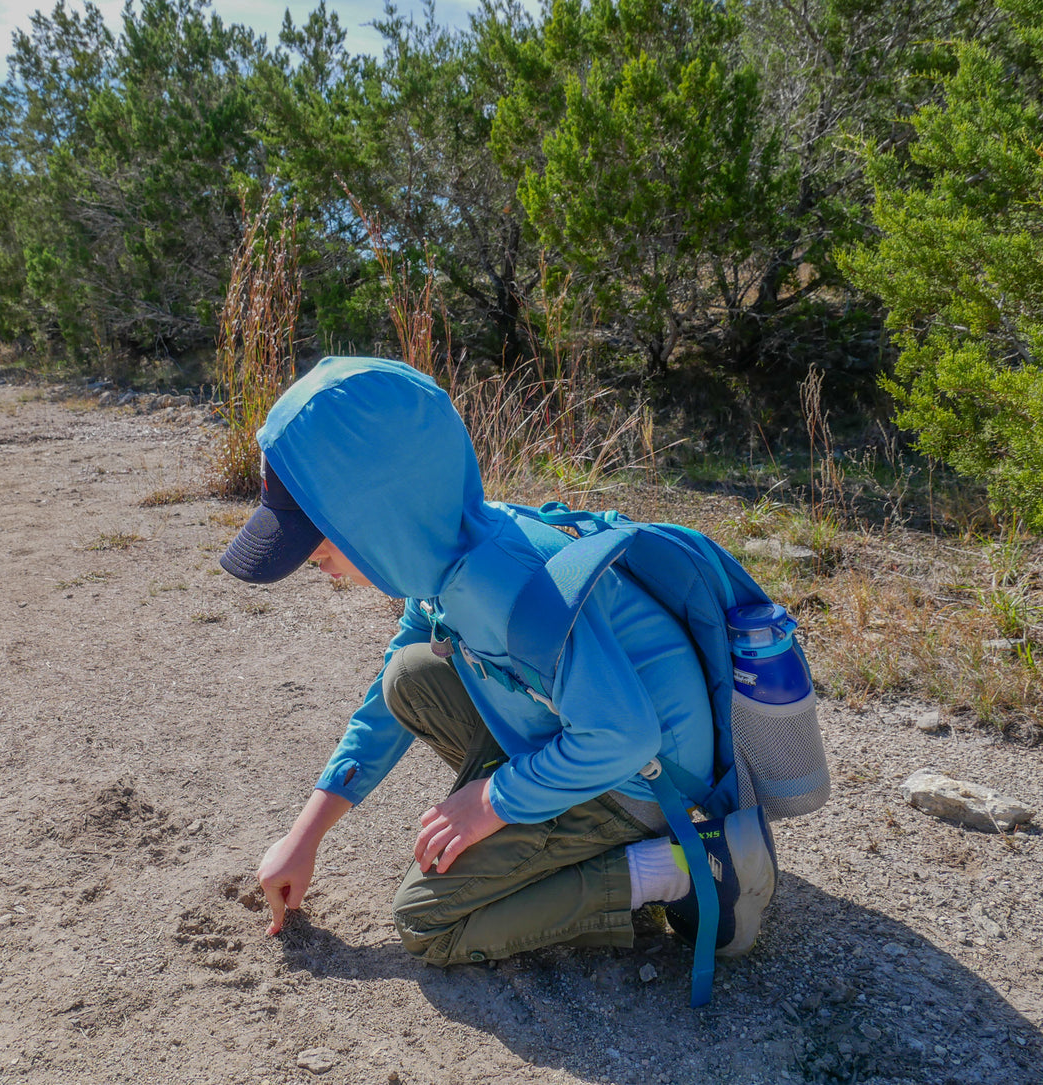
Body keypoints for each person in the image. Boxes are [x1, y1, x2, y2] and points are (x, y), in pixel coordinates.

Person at [219, 355, 776, 968]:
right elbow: (386, 696)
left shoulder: (502, 591)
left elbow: (625, 736)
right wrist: (305, 836)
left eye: (315, 535)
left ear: (380, 519)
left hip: (642, 779)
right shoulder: (447, 554)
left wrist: (494, 801)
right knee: (409, 676)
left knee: (427, 922)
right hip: (596, 735)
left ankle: (679, 868)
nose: (310, 559)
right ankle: (552, 823)